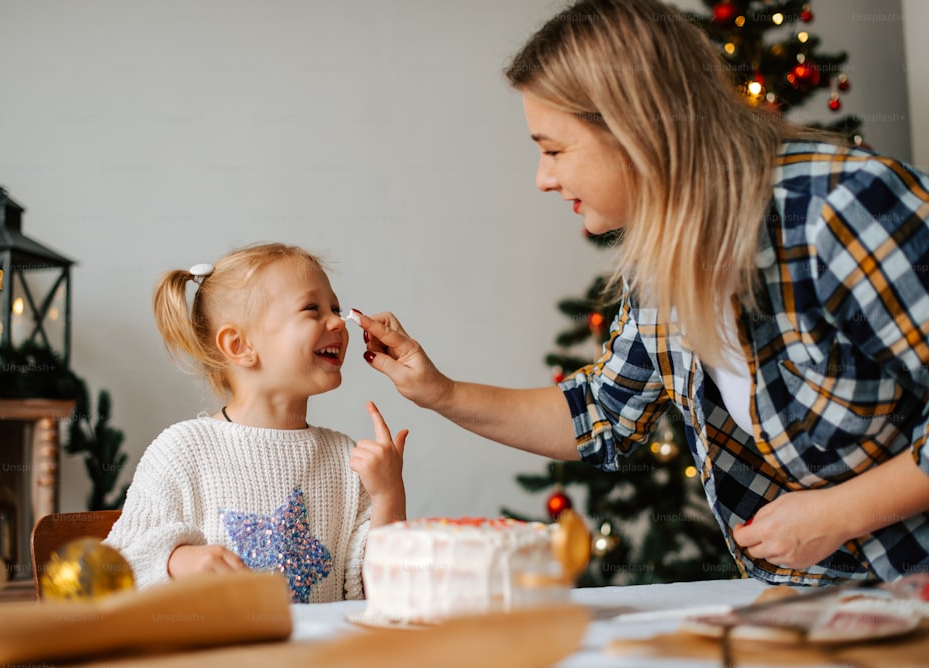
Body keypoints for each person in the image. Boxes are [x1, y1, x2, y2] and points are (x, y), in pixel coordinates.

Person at [351, 0, 929, 586]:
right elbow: (601, 412)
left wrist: (839, 513)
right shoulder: (662, 265)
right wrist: (439, 391)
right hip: (841, 600)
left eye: (553, 149)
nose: (543, 178)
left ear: (635, 129)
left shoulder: (841, 205)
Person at [104, 243, 407, 602]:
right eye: (312, 309)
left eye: (336, 308)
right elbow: (113, 569)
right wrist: (175, 561)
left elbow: (381, 592)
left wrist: (389, 495)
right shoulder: (181, 452)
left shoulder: (347, 459)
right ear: (239, 346)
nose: (339, 322)